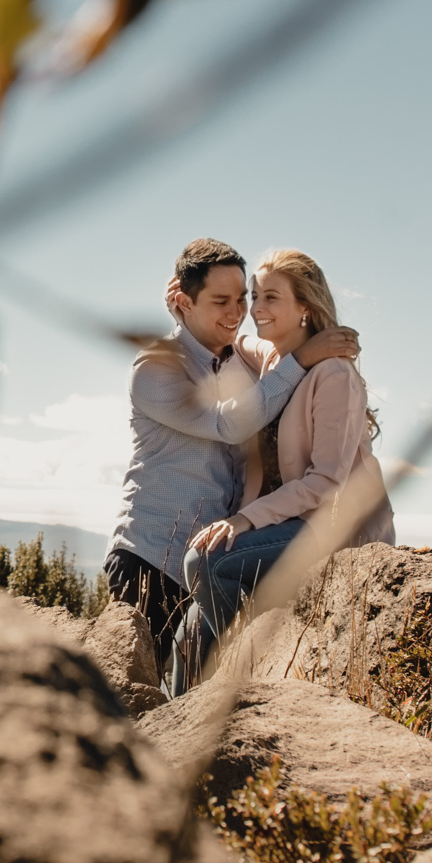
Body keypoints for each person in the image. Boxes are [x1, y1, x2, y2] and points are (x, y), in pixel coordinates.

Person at [103, 239, 359, 653]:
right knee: (139, 698)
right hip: (151, 560)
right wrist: (304, 356)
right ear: (184, 302)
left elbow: (277, 348)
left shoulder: (242, 358)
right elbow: (226, 423)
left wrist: (306, 348)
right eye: (221, 301)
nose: (238, 313)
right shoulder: (155, 368)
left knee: (195, 689)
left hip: (218, 556)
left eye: (243, 298)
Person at [173, 249, 395, 688]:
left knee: (206, 561)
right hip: (284, 525)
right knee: (187, 635)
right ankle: (175, 742)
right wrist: (180, 307)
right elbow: (231, 336)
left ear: (305, 307)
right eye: (255, 296)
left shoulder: (334, 374)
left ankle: (244, 670)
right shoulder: (274, 359)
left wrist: (242, 519)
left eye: (270, 297)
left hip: (329, 529)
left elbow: (327, 481)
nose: (255, 309)